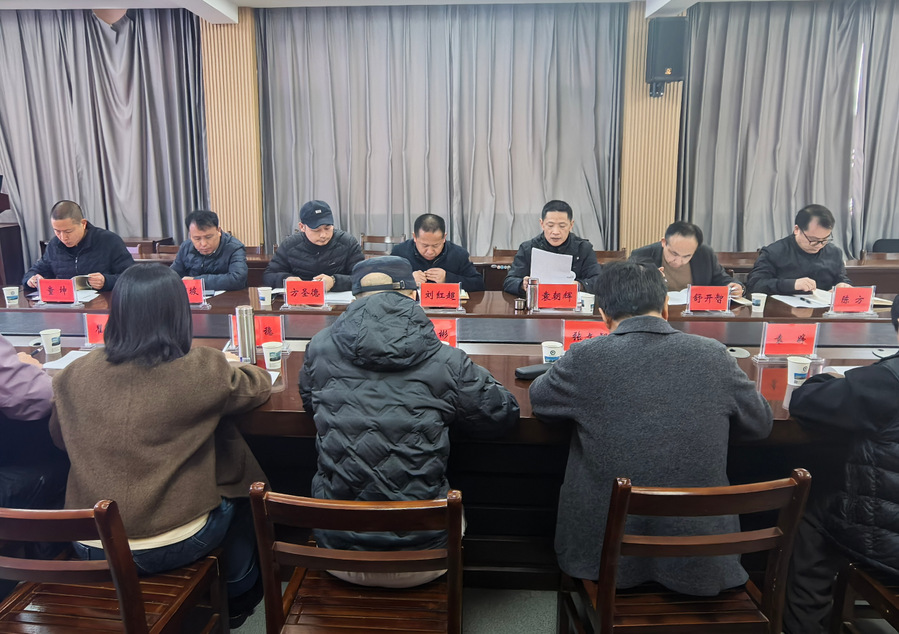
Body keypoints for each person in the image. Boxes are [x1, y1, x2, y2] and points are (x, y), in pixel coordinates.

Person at [48, 264, 272, 627]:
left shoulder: (72, 374)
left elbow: (60, 441)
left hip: (91, 543)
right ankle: (239, 589)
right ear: (178, 314)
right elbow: (257, 385)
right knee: (241, 485)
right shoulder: (200, 368)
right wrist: (232, 362)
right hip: (176, 542)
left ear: (116, 313)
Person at [529, 261, 772, 594]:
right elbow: (760, 424)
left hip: (604, 558)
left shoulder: (586, 356)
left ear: (602, 315)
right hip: (702, 557)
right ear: (666, 306)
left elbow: (540, 401)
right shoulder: (714, 355)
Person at [299, 256, 519, 587]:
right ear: (414, 295)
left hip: (337, 552)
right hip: (426, 556)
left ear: (355, 298)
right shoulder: (446, 358)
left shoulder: (318, 348)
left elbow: (309, 403)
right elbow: (502, 415)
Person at [782, 298, 899, 634]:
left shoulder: (885, 381)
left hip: (889, 542)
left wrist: (825, 379)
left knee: (812, 515)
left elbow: (805, 402)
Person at [23, 200, 134, 292]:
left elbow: (132, 278)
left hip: (103, 304)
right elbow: (34, 272)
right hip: (66, 305)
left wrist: (106, 281)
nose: (63, 237)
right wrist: (31, 280)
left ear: (83, 224)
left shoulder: (109, 241)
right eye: (57, 231)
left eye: (68, 231)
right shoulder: (54, 245)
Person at [503, 200, 601, 297]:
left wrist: (580, 285)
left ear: (571, 225)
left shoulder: (583, 249)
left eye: (562, 226)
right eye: (550, 225)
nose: (555, 232)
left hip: (572, 304)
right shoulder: (528, 248)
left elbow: (598, 281)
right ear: (542, 224)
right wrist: (523, 284)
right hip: (537, 304)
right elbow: (509, 282)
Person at [747, 204, 851, 295]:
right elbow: (755, 285)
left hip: (824, 309)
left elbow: (841, 279)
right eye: (813, 240)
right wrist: (792, 284)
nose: (819, 245)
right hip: (785, 309)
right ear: (797, 229)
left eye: (825, 239)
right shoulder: (774, 252)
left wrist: (844, 285)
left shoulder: (834, 253)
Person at [263, 199, 364, 291]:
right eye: (316, 230)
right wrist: (286, 280)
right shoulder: (289, 245)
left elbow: (363, 277)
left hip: (338, 303)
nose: (323, 235)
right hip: (300, 301)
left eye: (327, 228)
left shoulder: (347, 242)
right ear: (302, 227)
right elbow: (269, 276)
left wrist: (335, 282)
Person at [630, 221, 743, 295]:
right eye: (674, 253)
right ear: (664, 242)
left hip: (695, 315)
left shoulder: (705, 254)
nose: (679, 261)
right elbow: (628, 290)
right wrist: (649, 281)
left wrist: (736, 287)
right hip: (657, 315)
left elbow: (721, 279)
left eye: (687, 256)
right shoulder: (643, 255)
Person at [390, 213, 485, 292]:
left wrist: (447, 278)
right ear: (415, 237)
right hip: (409, 307)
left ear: (444, 238)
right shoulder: (400, 252)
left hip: (447, 307)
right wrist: (408, 280)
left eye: (436, 245)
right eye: (425, 245)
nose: (430, 252)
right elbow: (384, 282)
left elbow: (478, 284)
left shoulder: (458, 254)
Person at [170, 210, 248, 291]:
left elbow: (238, 279)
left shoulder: (234, 248)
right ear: (190, 235)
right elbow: (173, 275)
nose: (203, 244)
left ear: (218, 231)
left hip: (227, 297)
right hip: (192, 296)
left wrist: (197, 281)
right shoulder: (186, 247)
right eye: (197, 238)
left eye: (208, 237)